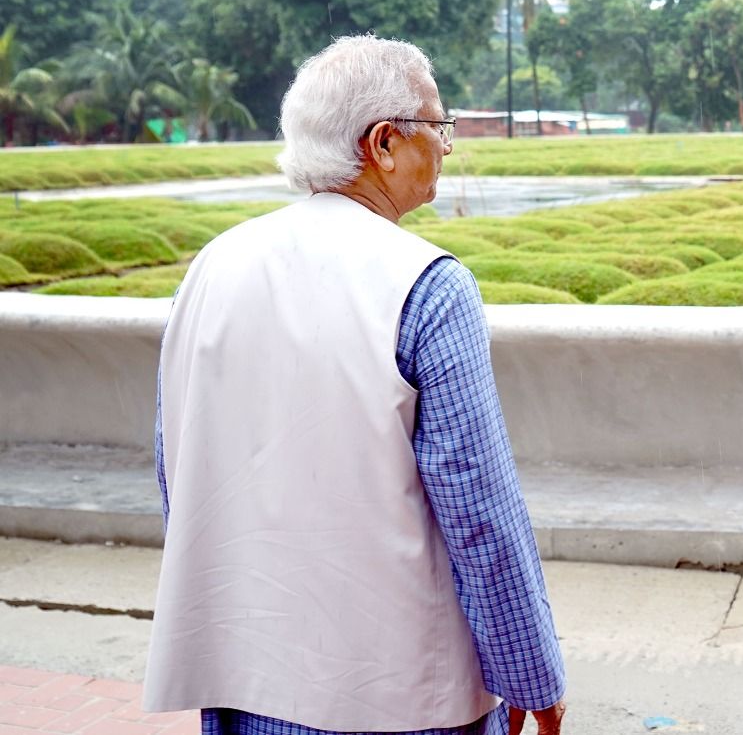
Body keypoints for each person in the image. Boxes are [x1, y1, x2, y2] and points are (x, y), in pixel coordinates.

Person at [144, 36, 566, 735]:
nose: (449, 146)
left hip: (246, 674)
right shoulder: (428, 285)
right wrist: (529, 671)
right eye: (439, 126)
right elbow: (479, 508)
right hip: (396, 690)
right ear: (385, 143)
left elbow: (176, 468)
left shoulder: (213, 266)